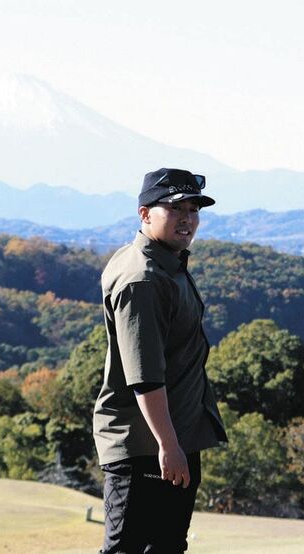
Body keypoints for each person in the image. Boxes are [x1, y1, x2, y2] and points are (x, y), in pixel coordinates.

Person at [92, 167, 227, 553]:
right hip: (146, 447)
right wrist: (168, 445)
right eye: (174, 208)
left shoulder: (168, 262)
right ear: (145, 213)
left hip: (173, 439)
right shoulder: (144, 279)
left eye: (193, 208)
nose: (187, 218)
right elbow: (145, 376)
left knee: (166, 548)